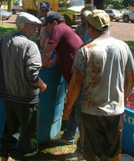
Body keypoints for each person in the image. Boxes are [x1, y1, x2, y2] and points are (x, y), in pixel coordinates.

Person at [63, 10, 134, 161]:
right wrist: (124, 96)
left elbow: (75, 83)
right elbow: (132, 77)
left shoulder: (85, 50)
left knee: (92, 154)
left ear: (90, 28)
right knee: (114, 151)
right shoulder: (123, 47)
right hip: (115, 110)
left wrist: (68, 107)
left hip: (91, 111)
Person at [0, 12, 47, 161]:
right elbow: (32, 76)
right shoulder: (30, 46)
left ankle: (5, 156)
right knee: (29, 133)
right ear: (26, 27)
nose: (36, 31)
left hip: (8, 97)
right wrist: (41, 84)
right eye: (34, 28)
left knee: (10, 128)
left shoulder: (1, 41)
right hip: (27, 99)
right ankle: (28, 156)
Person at [41, 11, 84, 159]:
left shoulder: (58, 29)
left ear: (54, 22)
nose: (46, 29)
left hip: (79, 78)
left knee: (79, 111)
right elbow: (59, 55)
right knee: (72, 106)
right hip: (74, 76)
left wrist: (42, 67)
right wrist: (50, 65)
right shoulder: (65, 30)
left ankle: (83, 150)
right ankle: (69, 136)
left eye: (47, 25)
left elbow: (47, 52)